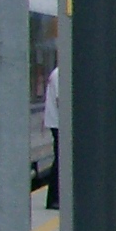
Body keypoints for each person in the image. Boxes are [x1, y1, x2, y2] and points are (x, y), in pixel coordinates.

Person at [43, 63, 61, 208]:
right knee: (60, 160)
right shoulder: (60, 74)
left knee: (60, 160)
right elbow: (61, 100)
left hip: (58, 123)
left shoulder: (58, 73)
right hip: (59, 124)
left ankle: (56, 197)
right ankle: (53, 199)